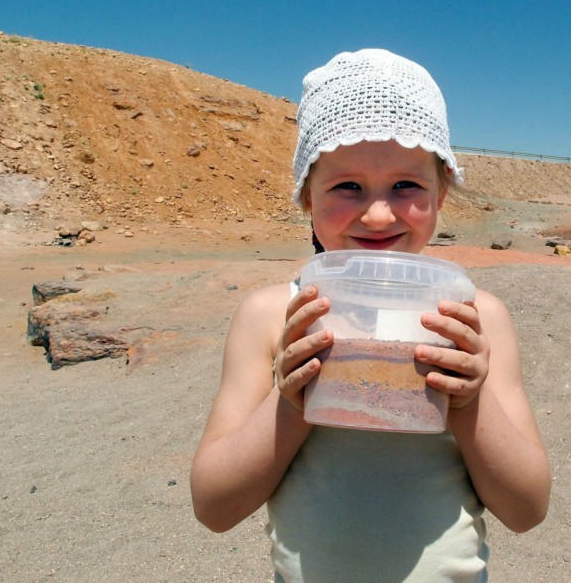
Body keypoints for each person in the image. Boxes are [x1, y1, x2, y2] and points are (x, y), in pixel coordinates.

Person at [190, 49, 550, 582]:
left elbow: (526, 510)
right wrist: (290, 402)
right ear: (306, 196)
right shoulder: (272, 316)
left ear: (441, 192)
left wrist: (470, 401)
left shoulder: (476, 320)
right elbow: (215, 507)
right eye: (347, 186)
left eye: (406, 185)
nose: (378, 213)